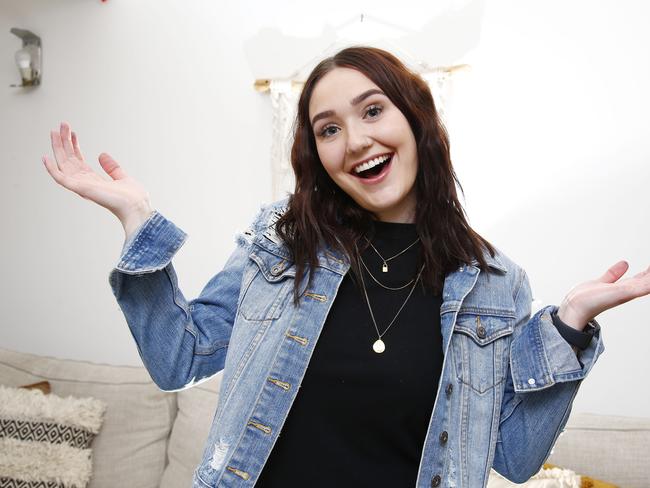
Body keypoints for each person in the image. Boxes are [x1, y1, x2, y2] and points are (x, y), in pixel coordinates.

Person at [43, 46, 649, 488]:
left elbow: (514, 458)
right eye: (328, 129)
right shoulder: (280, 242)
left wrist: (569, 324)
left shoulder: (494, 282)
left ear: (416, 119)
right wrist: (136, 219)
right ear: (317, 155)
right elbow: (180, 356)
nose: (355, 140)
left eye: (372, 111)